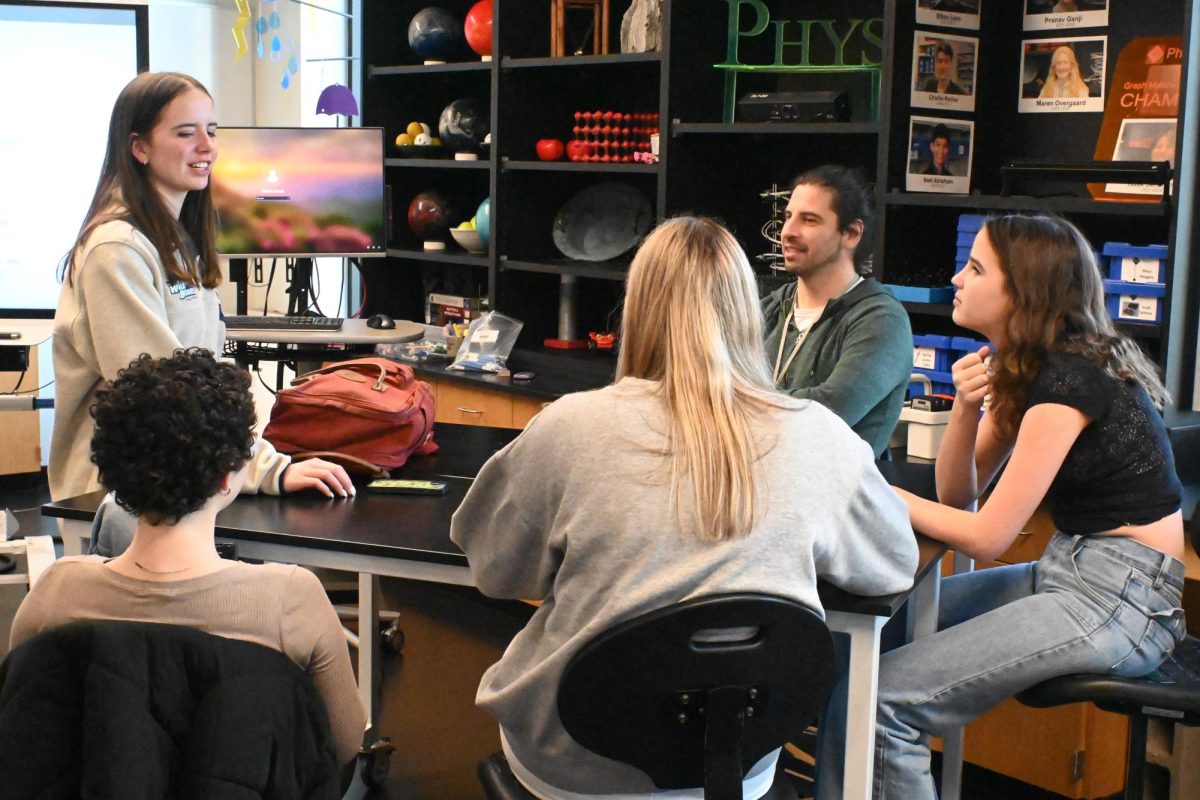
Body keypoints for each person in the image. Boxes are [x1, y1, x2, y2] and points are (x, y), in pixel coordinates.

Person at [451, 216, 919, 799]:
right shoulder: (820, 437)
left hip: (575, 760)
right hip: (739, 762)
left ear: (638, 309)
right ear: (748, 311)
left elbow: (495, 573)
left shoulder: (568, 427)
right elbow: (895, 564)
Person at [819, 214, 1187, 799]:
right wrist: (966, 409)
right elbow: (959, 496)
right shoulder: (1035, 367)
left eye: (975, 268)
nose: (956, 279)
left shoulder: (1069, 381)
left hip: (1121, 596)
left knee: (887, 700)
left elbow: (988, 536)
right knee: (868, 647)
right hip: (1074, 571)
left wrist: (878, 489)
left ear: (1021, 291)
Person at [11, 348, 368, 768]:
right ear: (225, 476)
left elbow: (22, 721)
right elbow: (342, 745)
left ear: (116, 469)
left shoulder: (58, 591)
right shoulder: (290, 600)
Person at [50, 71, 353, 506]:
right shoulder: (116, 250)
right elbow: (167, 396)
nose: (208, 147)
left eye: (211, 131)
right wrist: (269, 469)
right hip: (123, 497)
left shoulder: (173, 240)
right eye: (185, 133)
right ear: (139, 147)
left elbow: (197, 385)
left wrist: (259, 462)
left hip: (186, 479)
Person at [762, 165, 913, 457]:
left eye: (809, 220)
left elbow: (830, 409)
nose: (788, 232)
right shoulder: (770, 308)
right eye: (788, 217)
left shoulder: (882, 319)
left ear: (852, 233)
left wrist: (736, 398)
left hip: (837, 498)